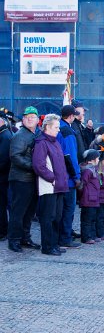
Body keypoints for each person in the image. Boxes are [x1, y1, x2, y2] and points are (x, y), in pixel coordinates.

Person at [32, 114, 69, 256]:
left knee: (57, 217)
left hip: (59, 185)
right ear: (47, 127)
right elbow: (39, 166)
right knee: (48, 217)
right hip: (49, 186)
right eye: (56, 127)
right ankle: (47, 247)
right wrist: (52, 178)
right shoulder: (41, 143)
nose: (58, 130)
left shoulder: (55, 142)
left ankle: (54, 244)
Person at [7, 106, 41, 252]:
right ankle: (13, 240)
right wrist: (34, 167)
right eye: (27, 117)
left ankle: (25, 238)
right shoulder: (20, 135)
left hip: (31, 179)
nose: (29, 119)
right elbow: (15, 156)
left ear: (38, 120)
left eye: (32, 117)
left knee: (29, 212)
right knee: (18, 212)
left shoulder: (35, 134)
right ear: (23, 119)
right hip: (21, 179)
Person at [57, 105, 82, 249]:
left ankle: (63, 235)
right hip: (68, 178)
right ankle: (65, 237)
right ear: (72, 116)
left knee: (62, 209)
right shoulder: (68, 131)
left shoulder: (58, 127)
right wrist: (76, 176)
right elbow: (70, 156)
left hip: (60, 175)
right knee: (68, 209)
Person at [79, 149, 101, 244]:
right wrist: (84, 195)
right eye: (97, 158)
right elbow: (82, 184)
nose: (98, 160)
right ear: (92, 159)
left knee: (93, 219)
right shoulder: (88, 170)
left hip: (94, 198)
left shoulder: (93, 169)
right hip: (88, 199)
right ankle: (86, 237)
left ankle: (92, 235)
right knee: (87, 220)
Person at [0, 111, 13, 241]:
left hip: (4, 177)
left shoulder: (5, 136)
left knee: (4, 205)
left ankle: (4, 230)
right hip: (4, 176)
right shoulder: (4, 134)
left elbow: (3, 159)